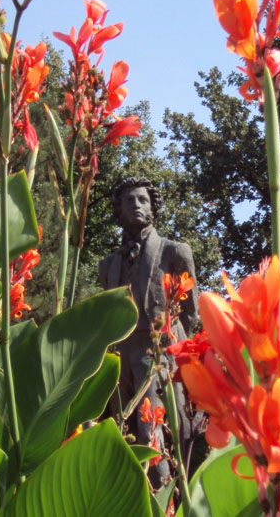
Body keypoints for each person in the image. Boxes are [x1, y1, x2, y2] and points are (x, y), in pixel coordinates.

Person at [99, 176, 198, 484]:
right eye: (128, 200)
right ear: (119, 210)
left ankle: (162, 495)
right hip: (120, 355)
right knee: (122, 431)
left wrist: (172, 351)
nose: (136, 205)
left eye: (142, 199)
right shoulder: (107, 265)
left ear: (153, 207)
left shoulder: (175, 252)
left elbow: (191, 312)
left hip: (156, 353)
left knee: (151, 432)